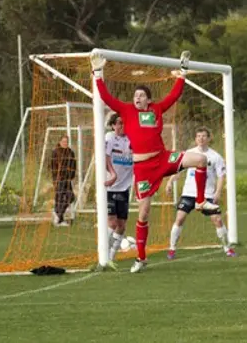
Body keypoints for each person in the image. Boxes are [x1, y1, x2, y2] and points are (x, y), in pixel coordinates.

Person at [90, 51, 218, 273]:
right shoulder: (127, 111)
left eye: (141, 95)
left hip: (162, 158)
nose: (136, 97)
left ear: (149, 99)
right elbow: (106, 98)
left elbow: (174, 95)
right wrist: (98, 73)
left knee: (201, 159)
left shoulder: (157, 109)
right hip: (143, 169)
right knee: (144, 213)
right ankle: (140, 258)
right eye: (135, 95)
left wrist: (183, 72)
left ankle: (199, 201)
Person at [165, 127, 236, 259]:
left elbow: (221, 176)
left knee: (218, 220)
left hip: (207, 195)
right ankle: (172, 249)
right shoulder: (189, 153)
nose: (201, 139)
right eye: (198, 136)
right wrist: (170, 182)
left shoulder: (215, 157)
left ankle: (227, 248)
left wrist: (217, 192)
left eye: (204, 136)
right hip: (189, 193)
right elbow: (178, 170)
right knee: (179, 218)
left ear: (209, 138)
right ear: (195, 139)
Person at [104, 112, 134, 262]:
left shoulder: (131, 139)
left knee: (121, 226)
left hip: (124, 187)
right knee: (112, 222)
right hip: (109, 187)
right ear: (113, 125)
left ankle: (111, 256)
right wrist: (112, 174)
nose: (122, 126)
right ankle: (103, 253)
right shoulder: (109, 137)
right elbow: (105, 158)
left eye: (124, 123)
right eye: (119, 123)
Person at [50, 135, 76, 227]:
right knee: (59, 199)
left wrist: (71, 176)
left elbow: (74, 165)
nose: (65, 143)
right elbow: (53, 167)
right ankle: (60, 220)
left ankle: (58, 215)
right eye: (63, 141)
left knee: (71, 197)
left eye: (66, 141)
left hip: (67, 179)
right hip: (59, 179)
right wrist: (55, 180)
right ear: (60, 142)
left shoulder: (70, 152)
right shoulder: (55, 152)